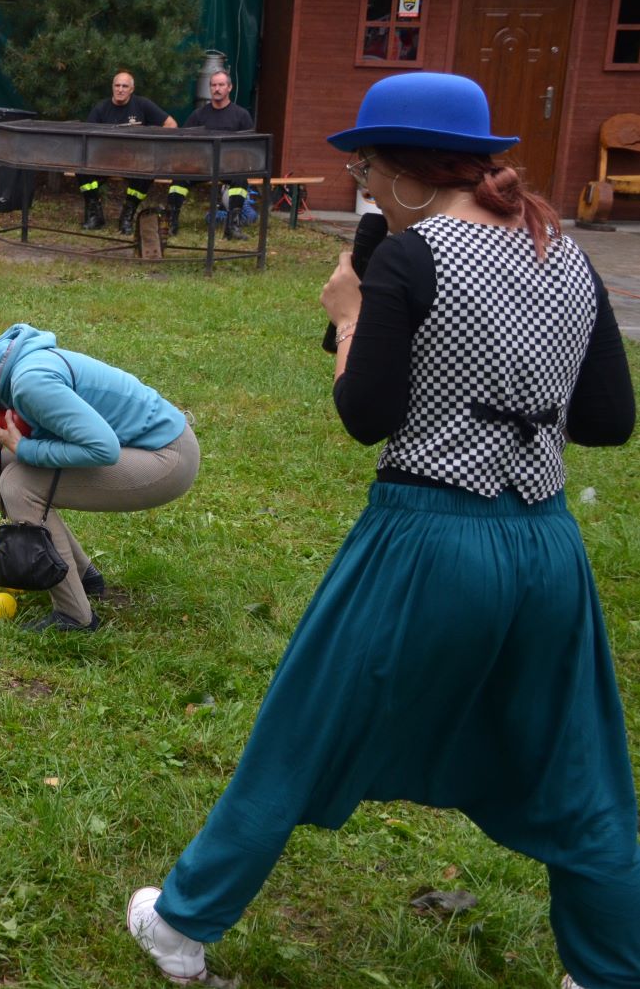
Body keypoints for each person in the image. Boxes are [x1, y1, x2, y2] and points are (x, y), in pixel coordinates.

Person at [125, 72, 636, 989]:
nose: (359, 183)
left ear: (403, 170)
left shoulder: (409, 258)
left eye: (363, 166)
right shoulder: (566, 254)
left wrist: (351, 318)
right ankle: (606, 973)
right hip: (548, 547)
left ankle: (181, 924)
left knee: (301, 730)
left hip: (426, 539)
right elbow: (606, 420)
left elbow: (366, 415)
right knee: (582, 772)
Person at [0, 323, 199, 632]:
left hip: (166, 458)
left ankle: (75, 616)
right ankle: (84, 578)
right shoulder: (0, 365)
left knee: (20, 484)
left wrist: (26, 448)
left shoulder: (31, 382)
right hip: (137, 446)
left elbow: (103, 448)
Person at [80, 71, 176, 234]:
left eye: (125, 86)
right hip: (104, 160)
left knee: (146, 175)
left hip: (134, 161)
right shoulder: (101, 108)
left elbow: (171, 125)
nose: (120, 89)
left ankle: (127, 215)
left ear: (132, 89)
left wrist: (148, 140)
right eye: (117, 85)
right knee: (81, 171)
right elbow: (88, 136)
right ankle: (95, 214)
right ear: (112, 87)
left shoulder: (143, 105)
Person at [169, 70, 256, 239]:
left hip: (229, 168)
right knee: (178, 179)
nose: (217, 89)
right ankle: (171, 222)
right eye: (213, 85)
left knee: (241, 179)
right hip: (200, 167)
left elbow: (249, 147)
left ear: (229, 87)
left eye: (221, 85)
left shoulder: (241, 115)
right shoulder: (198, 115)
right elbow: (184, 142)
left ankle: (232, 227)